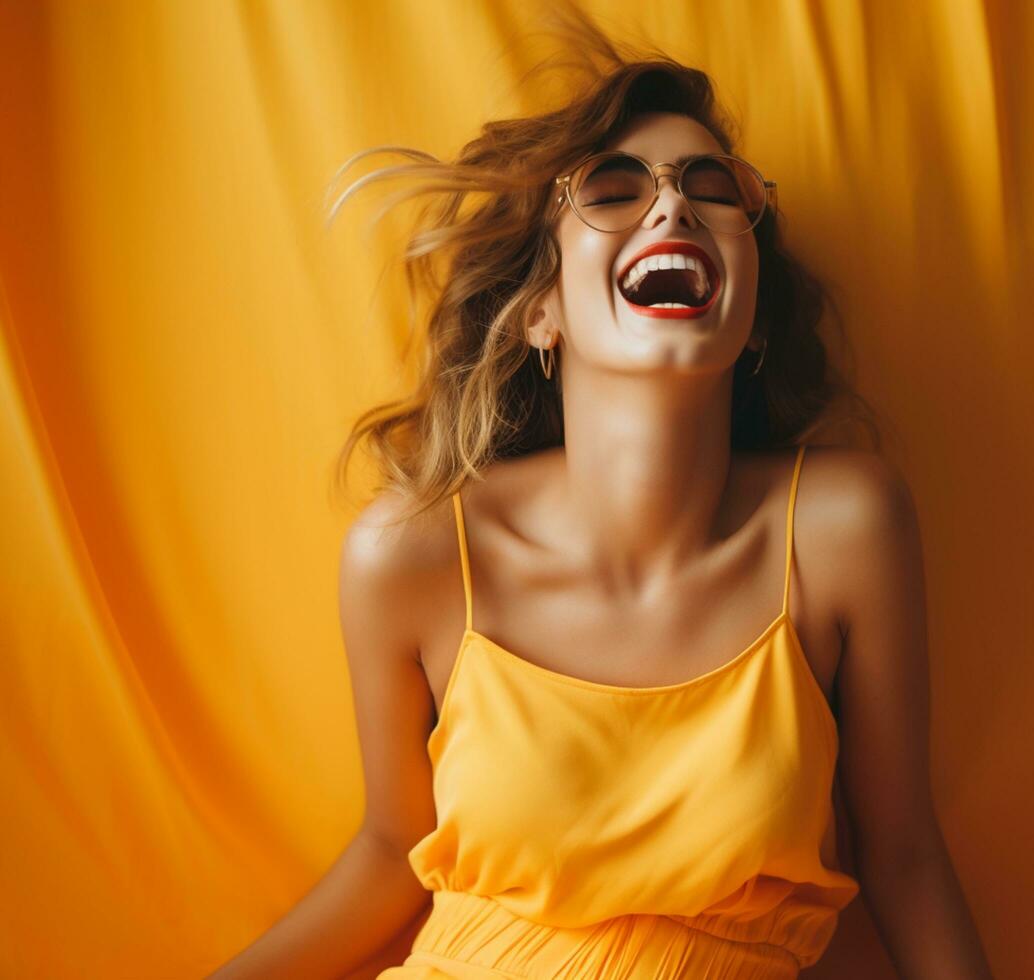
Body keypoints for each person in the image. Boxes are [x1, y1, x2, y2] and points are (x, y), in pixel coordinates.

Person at [211, 14, 993, 980]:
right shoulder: (411, 554)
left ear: (750, 315)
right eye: (613, 191)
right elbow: (388, 856)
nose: (672, 211)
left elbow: (903, 855)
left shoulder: (843, 529)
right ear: (540, 309)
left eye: (715, 192)